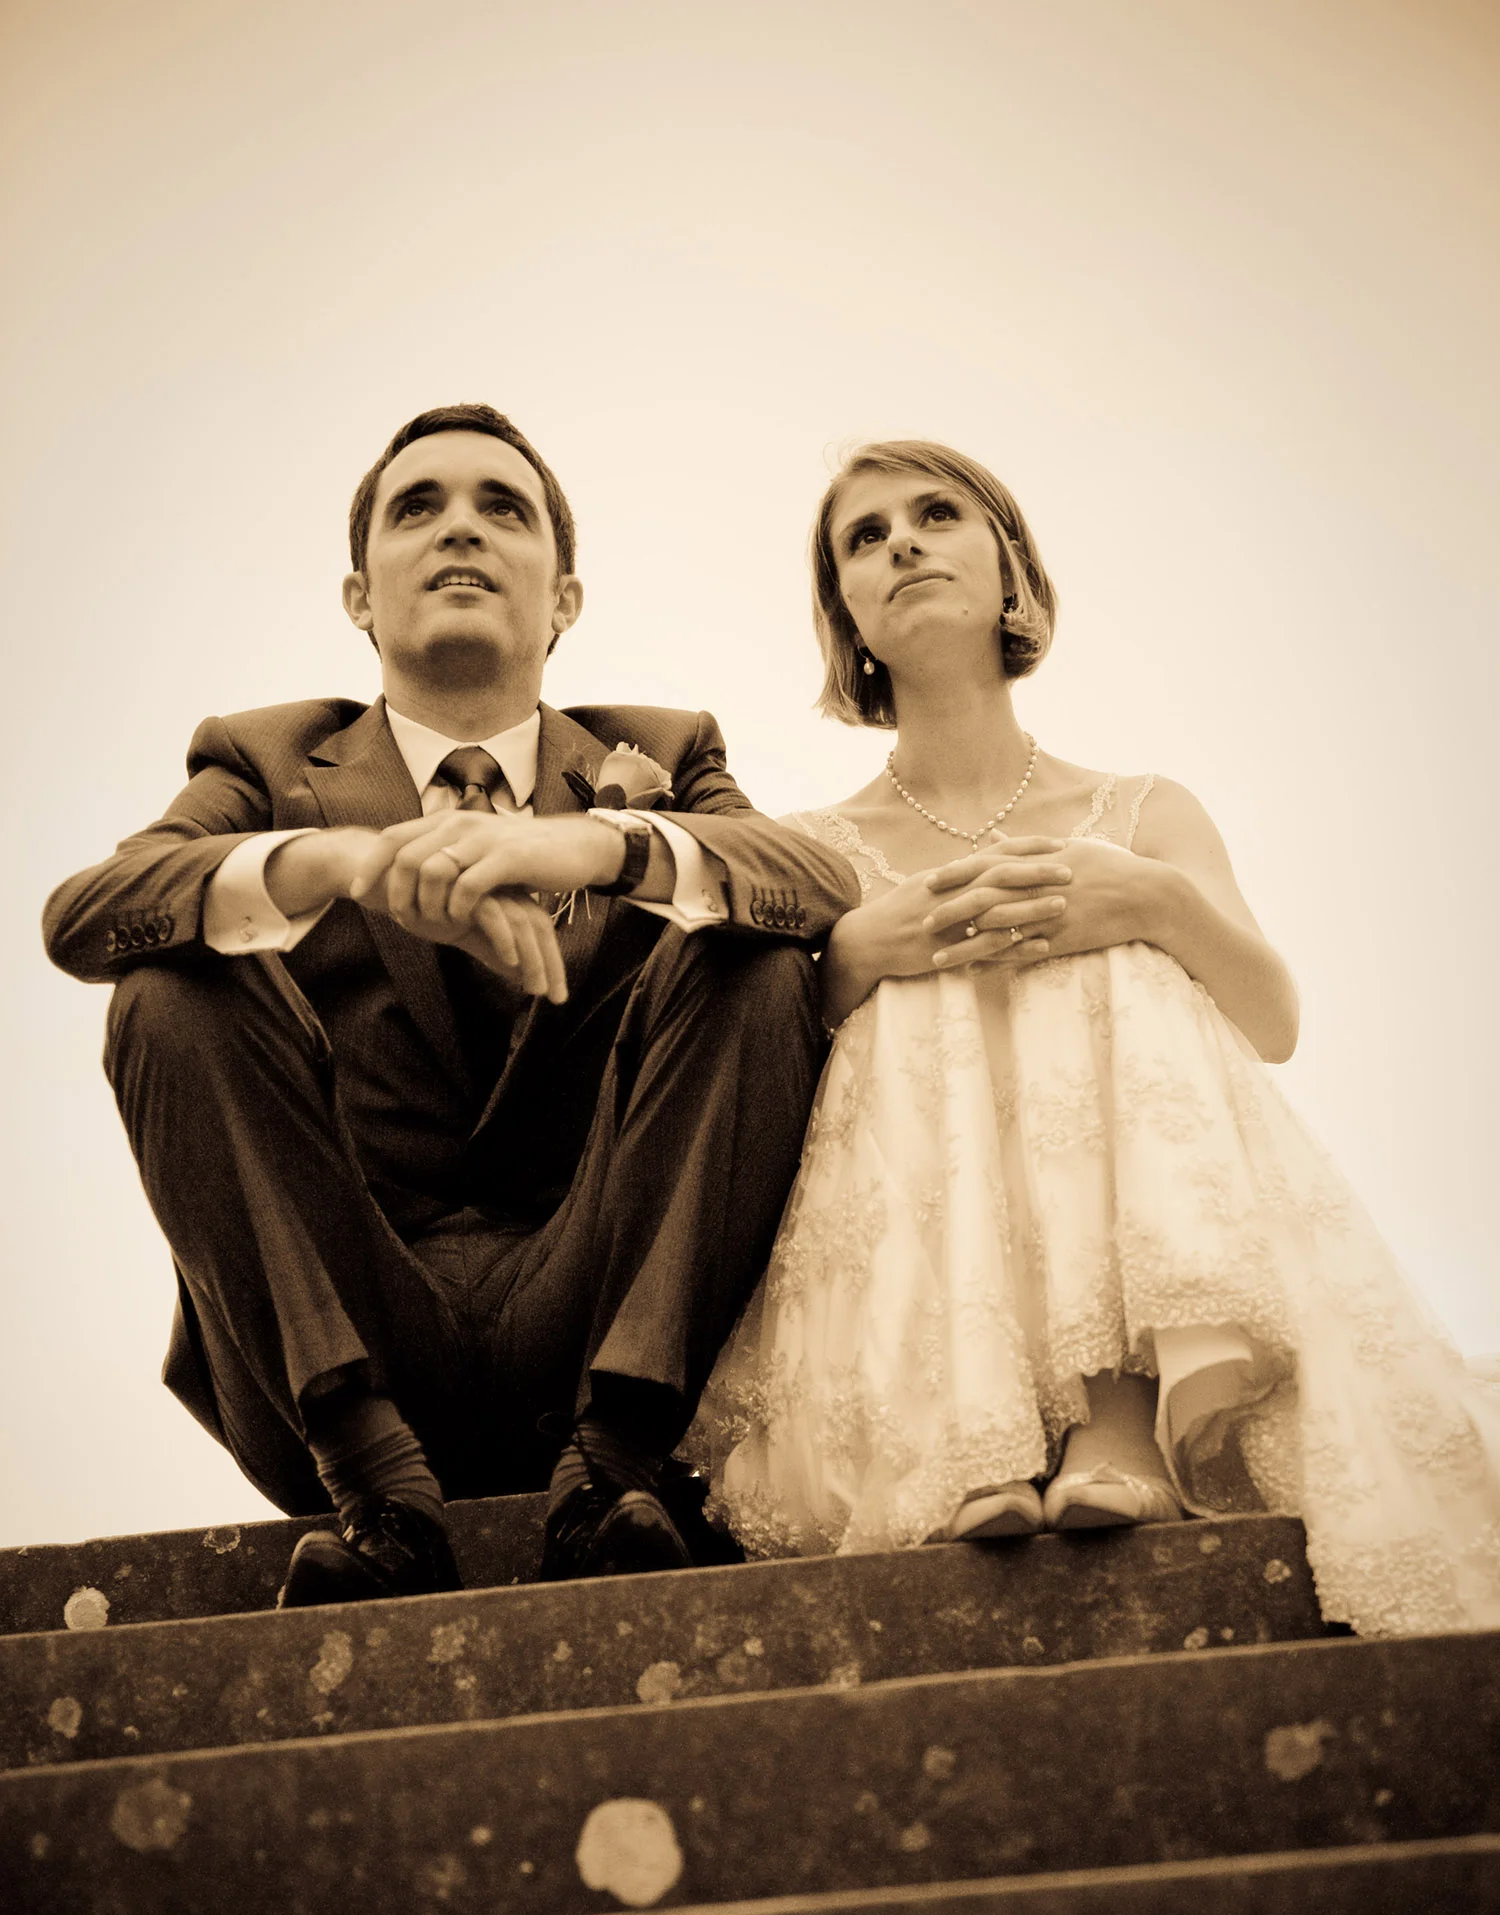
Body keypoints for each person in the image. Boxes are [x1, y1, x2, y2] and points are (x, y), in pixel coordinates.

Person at [43, 403, 859, 1607]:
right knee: (168, 988)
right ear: (360, 597)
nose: (460, 529)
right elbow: (86, 915)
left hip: (607, 1321)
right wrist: (332, 865)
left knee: (754, 951)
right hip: (349, 1344)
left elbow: (818, 885)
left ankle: (614, 1457)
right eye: (417, 508)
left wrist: (605, 849)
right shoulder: (263, 761)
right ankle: (377, 1485)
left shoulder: (665, 749)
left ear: (564, 598)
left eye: (502, 507)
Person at [688, 438, 1500, 1639]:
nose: (903, 541)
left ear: (1011, 572)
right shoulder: (819, 846)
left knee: (1113, 941)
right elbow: (766, 1063)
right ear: (848, 618)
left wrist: (1150, 902)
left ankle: (1122, 1409)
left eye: (937, 515)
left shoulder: (1144, 808)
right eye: (865, 537)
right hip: (909, 1241)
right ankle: (973, 1424)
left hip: (1146, 1182)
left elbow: (1272, 1021)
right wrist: (859, 952)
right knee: (913, 974)